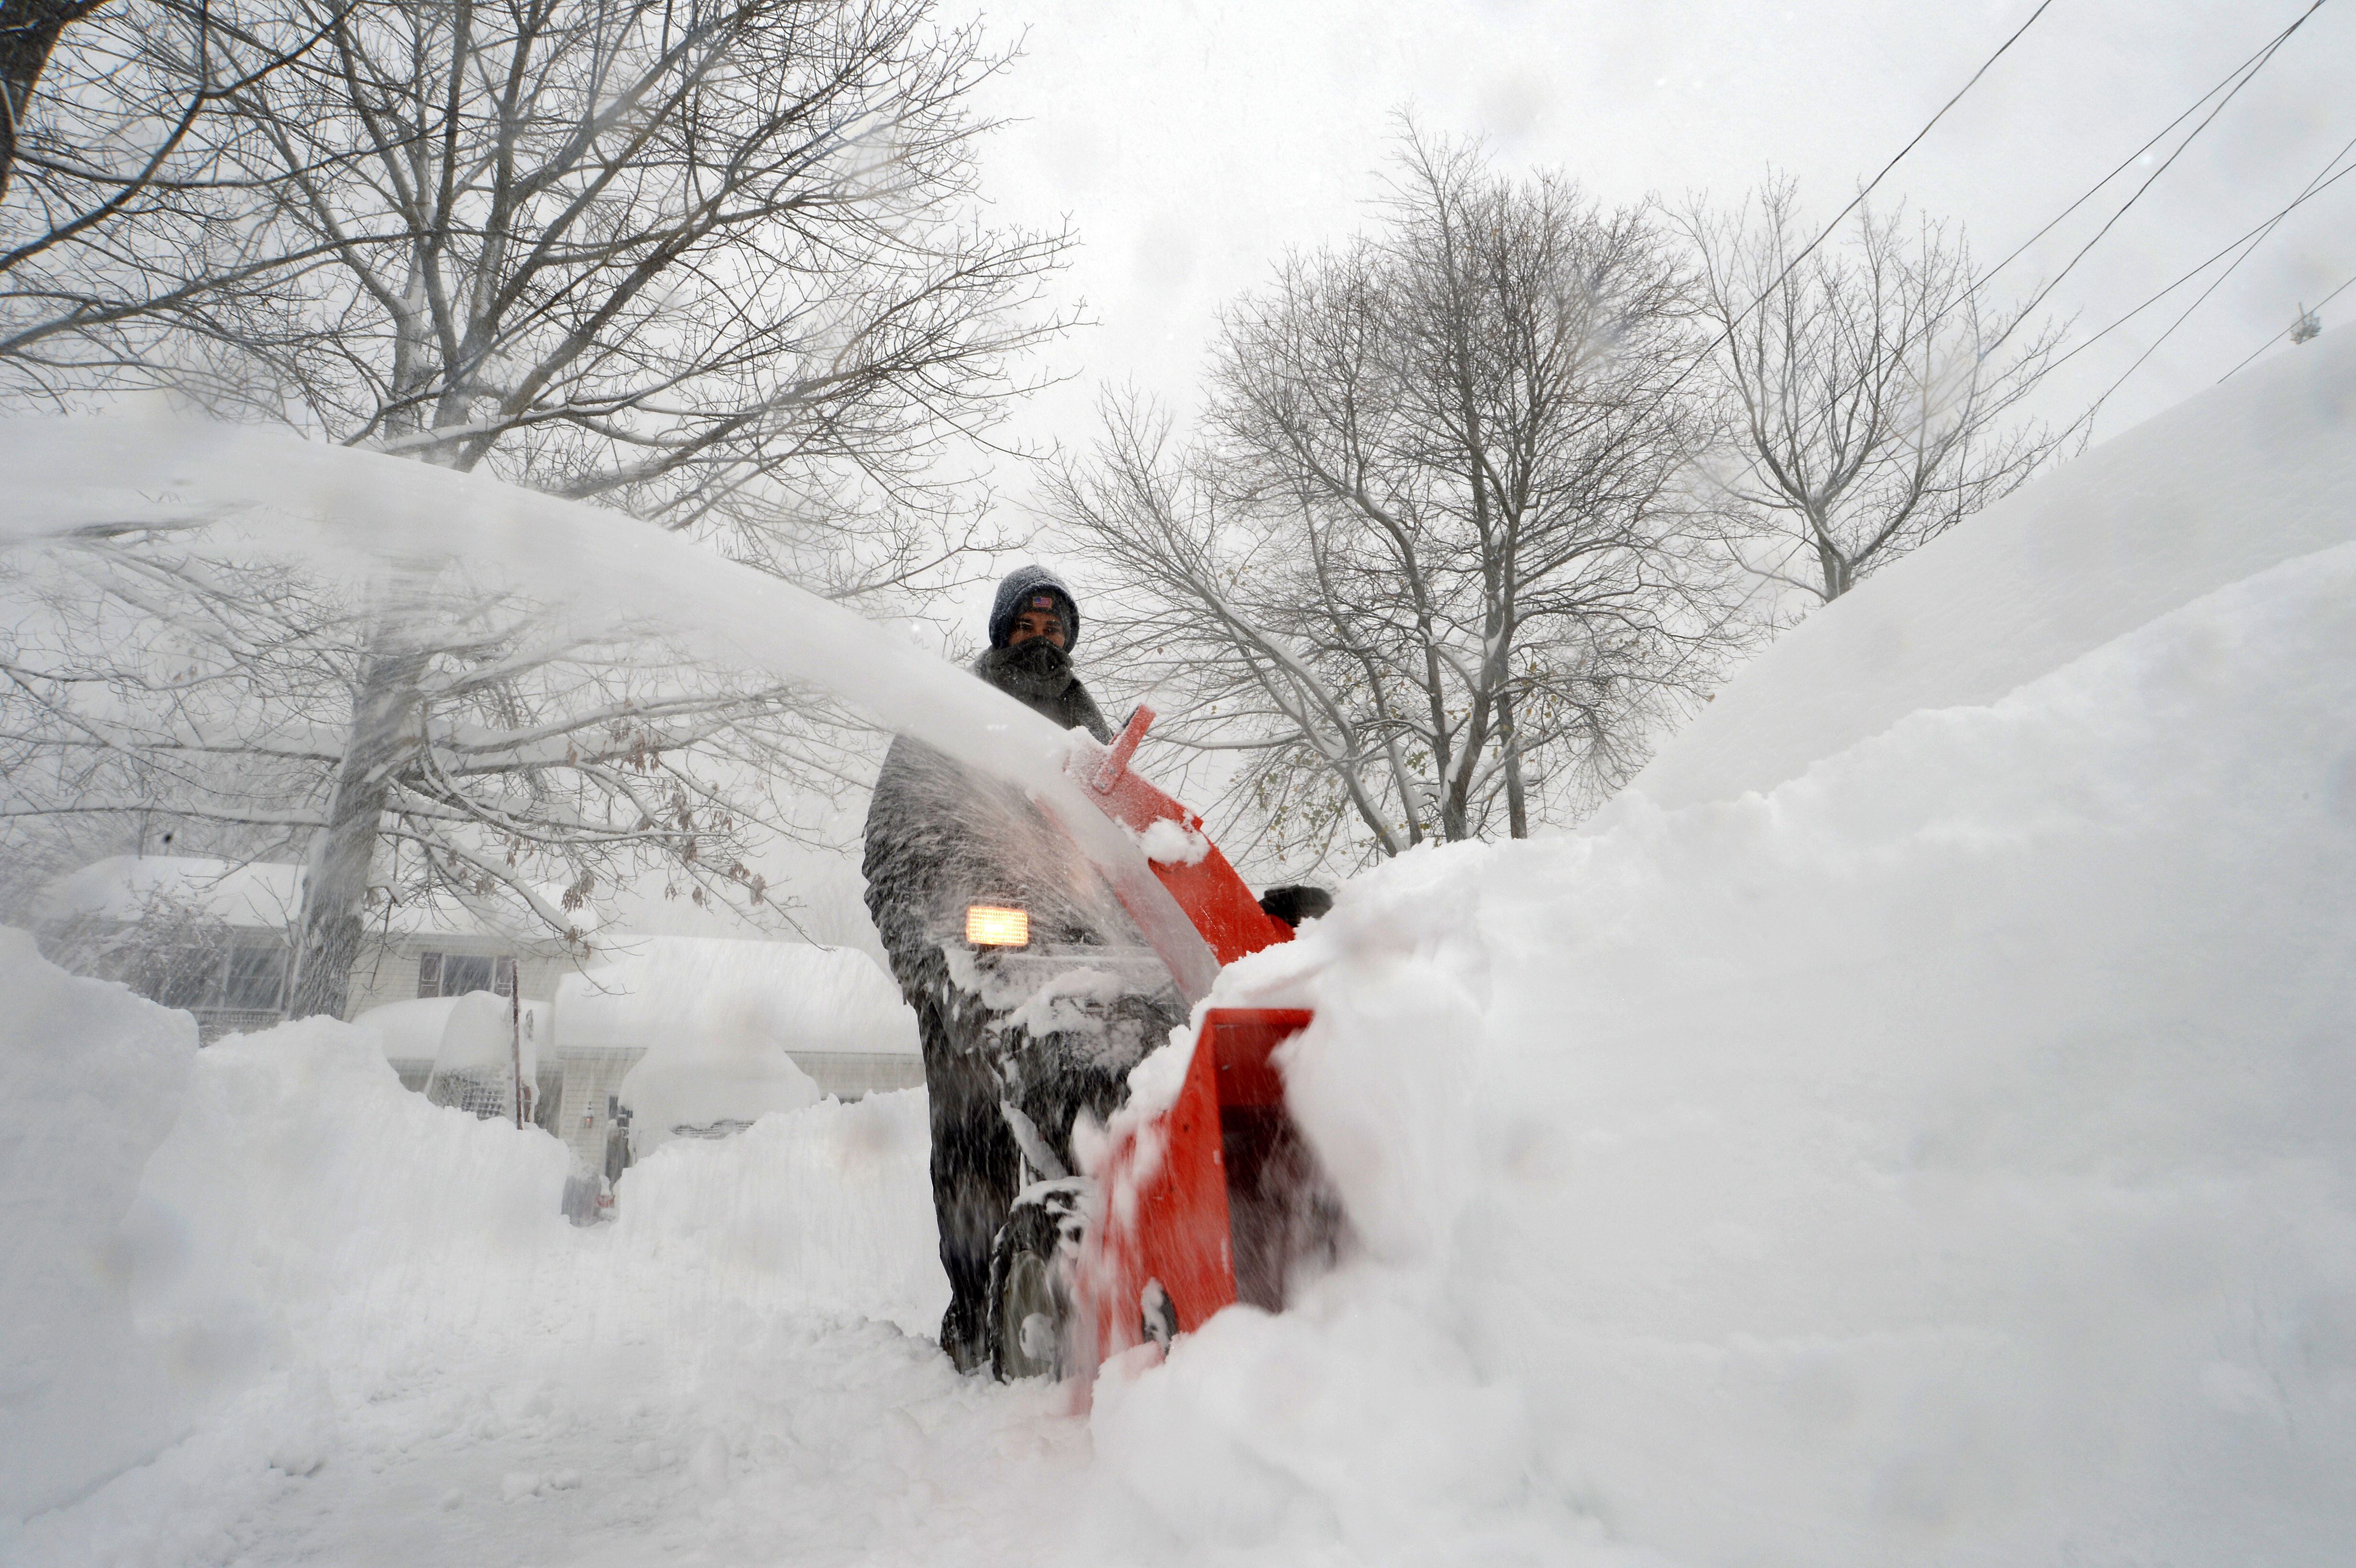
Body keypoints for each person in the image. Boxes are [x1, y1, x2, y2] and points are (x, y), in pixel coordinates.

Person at [861, 565, 1173, 1372]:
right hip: (969, 964)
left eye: (1057, 627)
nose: (1045, 639)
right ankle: (975, 1314)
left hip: (1078, 962)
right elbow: (890, 854)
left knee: (1114, 1102)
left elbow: (1121, 846)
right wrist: (927, 963)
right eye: (1029, 625)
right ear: (1003, 632)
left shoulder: (1084, 728)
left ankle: (1119, 1263)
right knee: (974, 1139)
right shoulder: (949, 718)